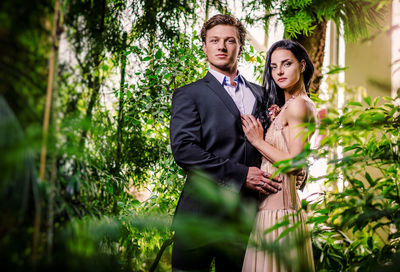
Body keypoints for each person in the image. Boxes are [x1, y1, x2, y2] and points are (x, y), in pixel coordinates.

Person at [169, 14, 284, 271]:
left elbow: (279, 142)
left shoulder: (263, 94)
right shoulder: (189, 94)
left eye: (229, 40)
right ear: (205, 46)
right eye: (214, 40)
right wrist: (241, 174)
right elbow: (184, 151)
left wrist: (296, 170)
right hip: (199, 216)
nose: (221, 46)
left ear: (240, 46)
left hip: (245, 219)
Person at [241, 40, 316, 272]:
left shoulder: (298, 106)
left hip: (278, 217)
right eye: (273, 67)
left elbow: (294, 164)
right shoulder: (291, 105)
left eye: (287, 64)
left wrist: (257, 140)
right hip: (273, 212)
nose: (279, 72)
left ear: (302, 66)